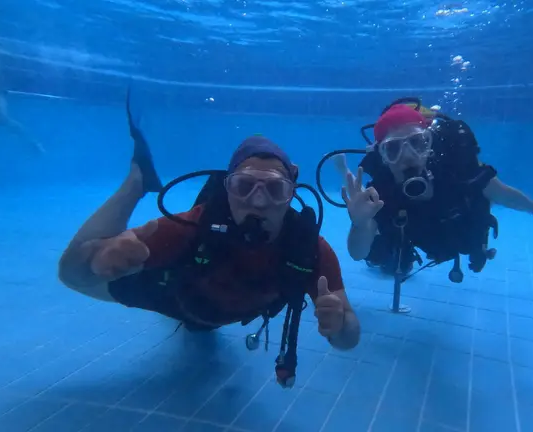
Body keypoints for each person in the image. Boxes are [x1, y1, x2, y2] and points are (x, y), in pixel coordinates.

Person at [58, 100, 360, 388]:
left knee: (201, 327)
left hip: (215, 313)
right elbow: (73, 273)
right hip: (171, 296)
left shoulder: (307, 250)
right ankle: (136, 183)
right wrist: (99, 260)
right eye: (243, 186)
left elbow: (349, 338)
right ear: (227, 190)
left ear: (291, 194)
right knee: (72, 274)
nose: (257, 202)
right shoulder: (192, 226)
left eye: (274, 189)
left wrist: (340, 327)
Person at [323, 97, 533, 282]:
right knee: (384, 263)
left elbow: (504, 194)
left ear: (429, 146)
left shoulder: (457, 170)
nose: (407, 156)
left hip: (452, 232)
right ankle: (343, 171)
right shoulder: (381, 193)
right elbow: (357, 253)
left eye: (417, 143)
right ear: (383, 156)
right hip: (411, 233)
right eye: (394, 149)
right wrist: (359, 223)